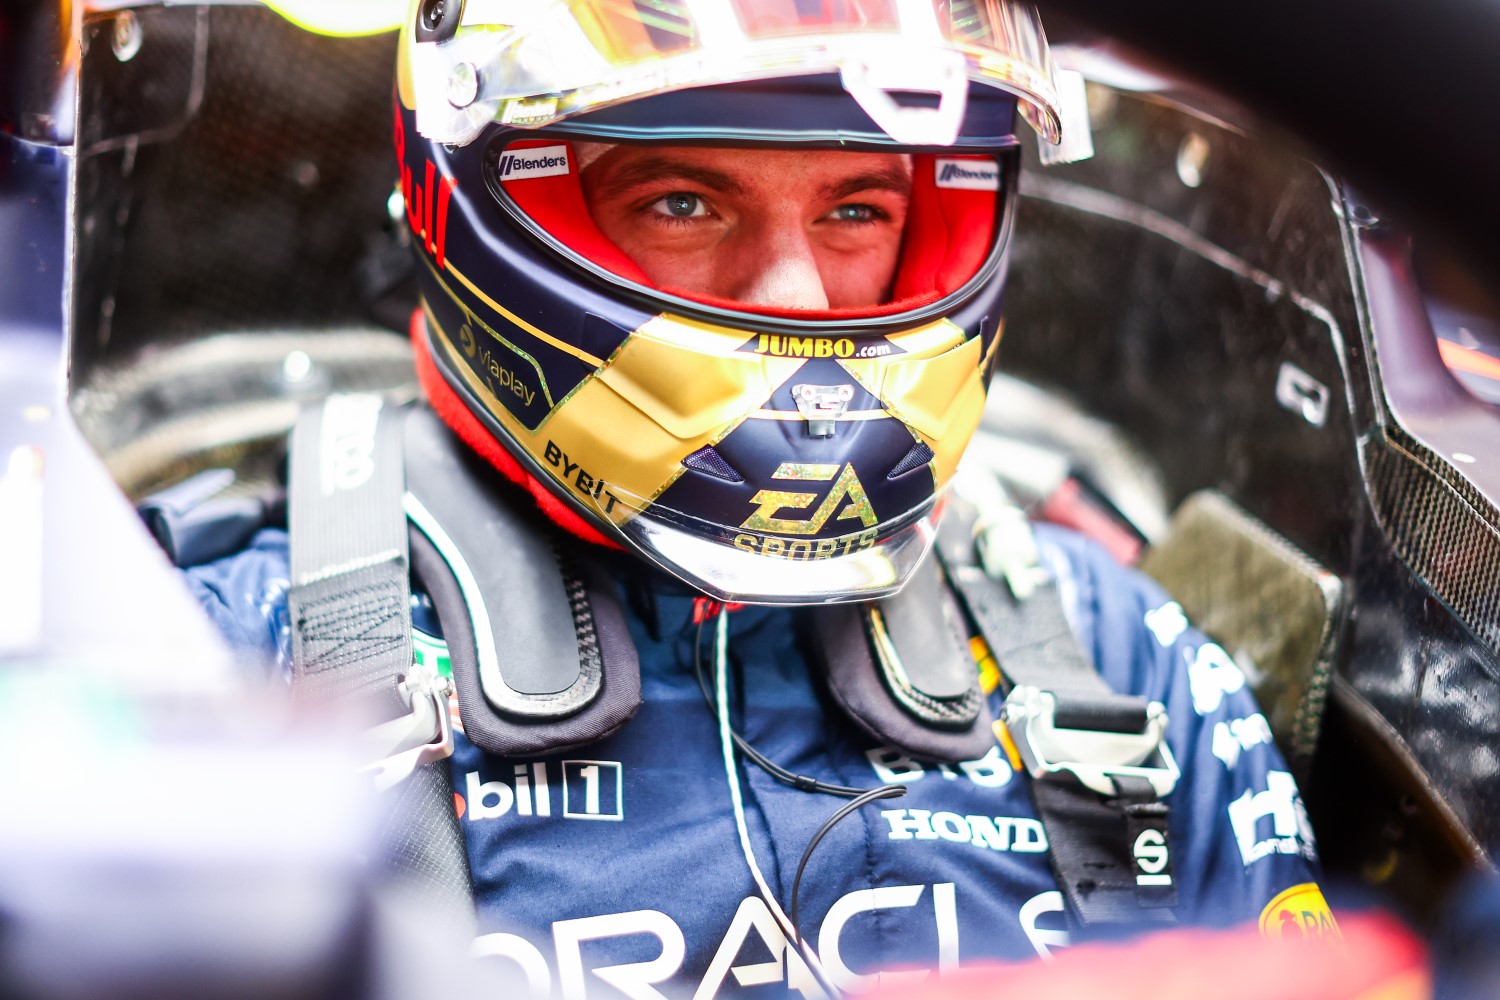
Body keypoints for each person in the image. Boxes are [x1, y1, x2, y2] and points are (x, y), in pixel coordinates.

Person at [170, 1, 1333, 995]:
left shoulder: (1109, 654)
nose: (800, 295)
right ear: (483, 212)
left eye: (857, 210)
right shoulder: (207, 673)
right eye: (684, 202)